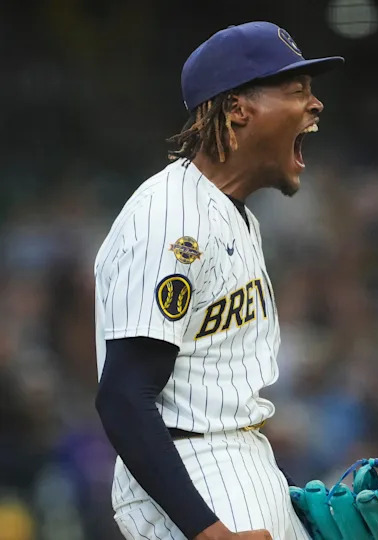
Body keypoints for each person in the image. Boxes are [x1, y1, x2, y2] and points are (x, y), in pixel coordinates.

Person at [93, 21, 347, 539]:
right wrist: (208, 531)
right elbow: (122, 395)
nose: (315, 104)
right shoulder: (172, 220)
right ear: (238, 109)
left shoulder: (233, 215)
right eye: (297, 90)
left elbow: (218, 391)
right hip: (196, 471)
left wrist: (285, 493)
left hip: (236, 460)